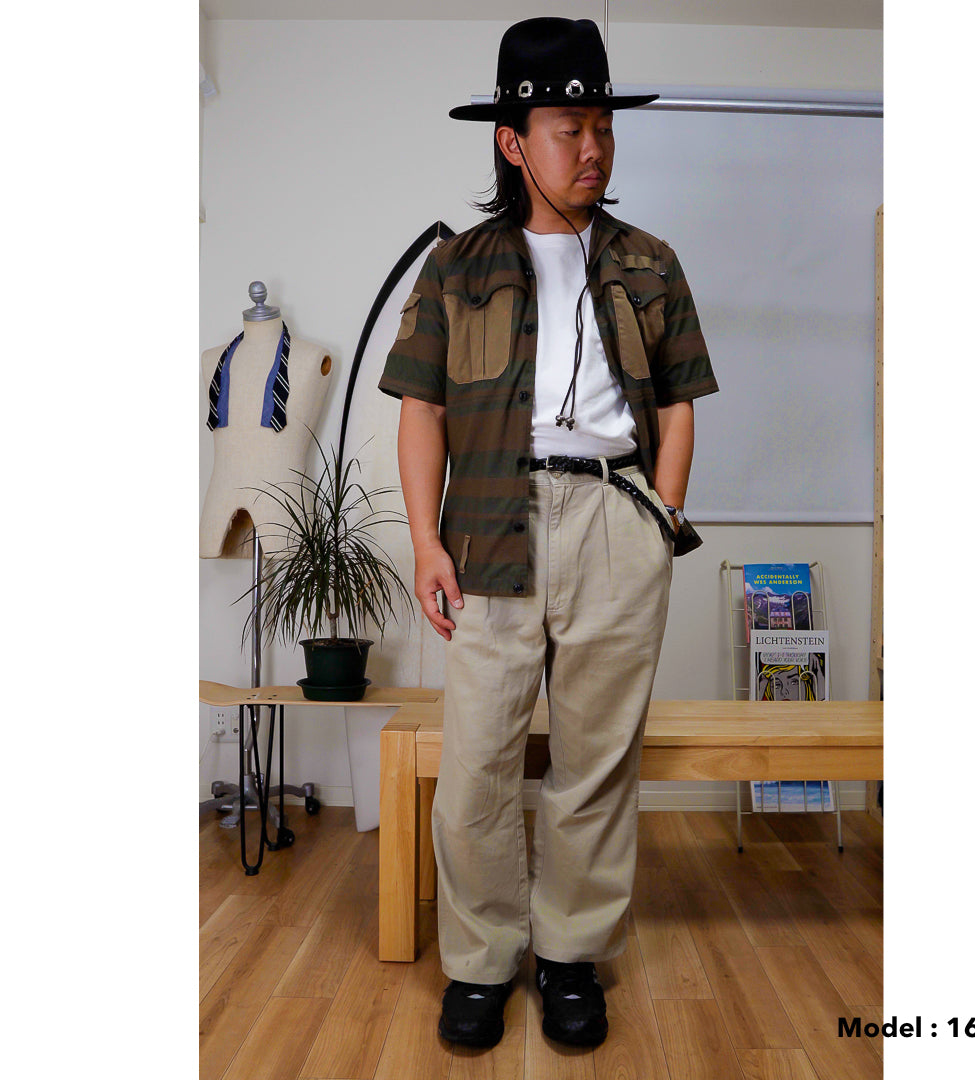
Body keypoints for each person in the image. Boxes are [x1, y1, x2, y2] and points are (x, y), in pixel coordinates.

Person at [379, 17, 718, 1050]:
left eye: (602, 126)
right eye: (570, 128)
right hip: (494, 515)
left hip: (616, 514)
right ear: (513, 140)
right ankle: (481, 960)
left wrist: (660, 514)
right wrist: (428, 544)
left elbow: (680, 401)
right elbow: (422, 409)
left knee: (595, 760)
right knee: (479, 762)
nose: (593, 146)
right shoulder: (456, 266)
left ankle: (571, 956)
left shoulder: (651, 262)